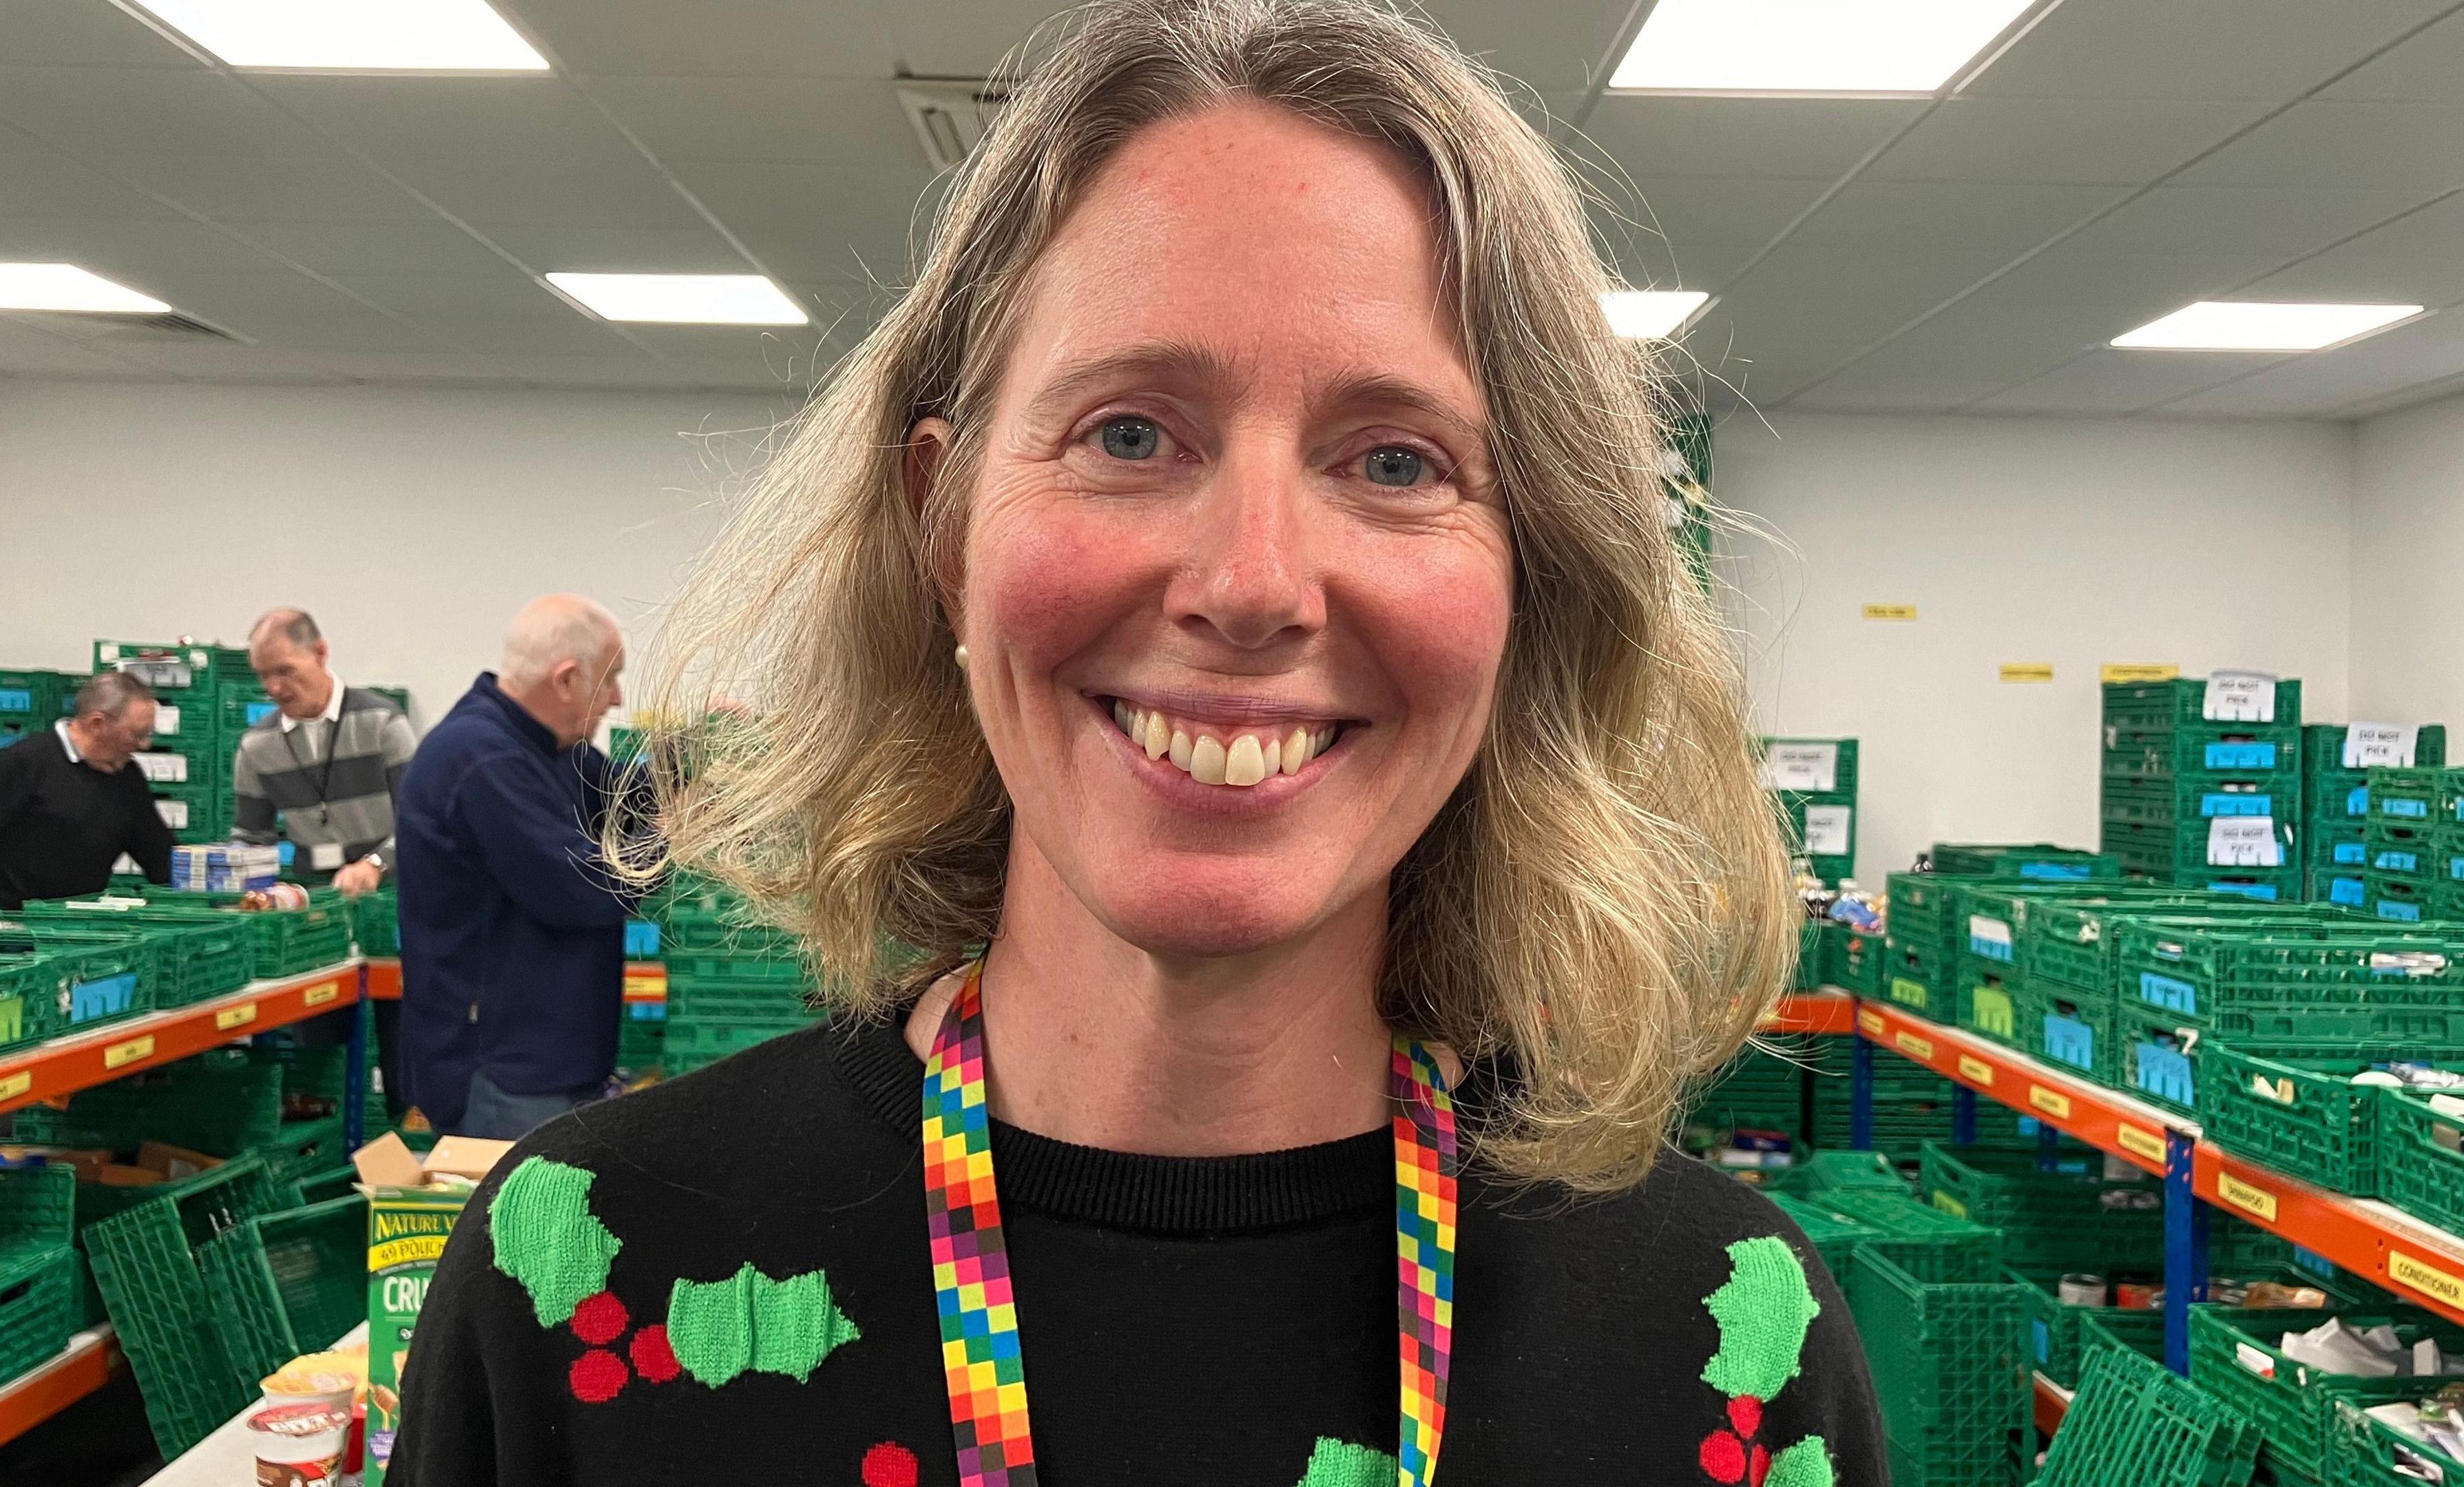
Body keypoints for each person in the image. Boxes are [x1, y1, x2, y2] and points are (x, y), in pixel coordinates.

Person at [390, 3, 1881, 1483]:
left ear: (1528, 580)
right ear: (942, 522)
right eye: (1128, 433)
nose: (1249, 583)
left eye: (1396, 459)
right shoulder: (582, 1276)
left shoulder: (1726, 1342)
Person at [392, 594, 643, 1141]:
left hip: (549, 1060)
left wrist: (701, 758)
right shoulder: (483, 758)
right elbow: (583, 889)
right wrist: (671, 838)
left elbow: (625, 793)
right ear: (567, 679)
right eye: (611, 678)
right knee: (518, 1224)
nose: (617, 698)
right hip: (505, 1075)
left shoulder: (548, 748)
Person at [0, 670, 174, 913]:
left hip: (71, 931)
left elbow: (158, 854)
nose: (145, 744)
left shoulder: (127, 779)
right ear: (98, 723)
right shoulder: (23, 763)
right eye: (138, 734)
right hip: (3, 930)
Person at [233, 607, 418, 899]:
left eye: (284, 671)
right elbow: (252, 839)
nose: (274, 688)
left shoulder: (382, 722)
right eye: (263, 675)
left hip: (390, 897)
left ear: (320, 653)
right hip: (314, 906)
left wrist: (375, 865)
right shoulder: (257, 746)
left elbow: (420, 820)